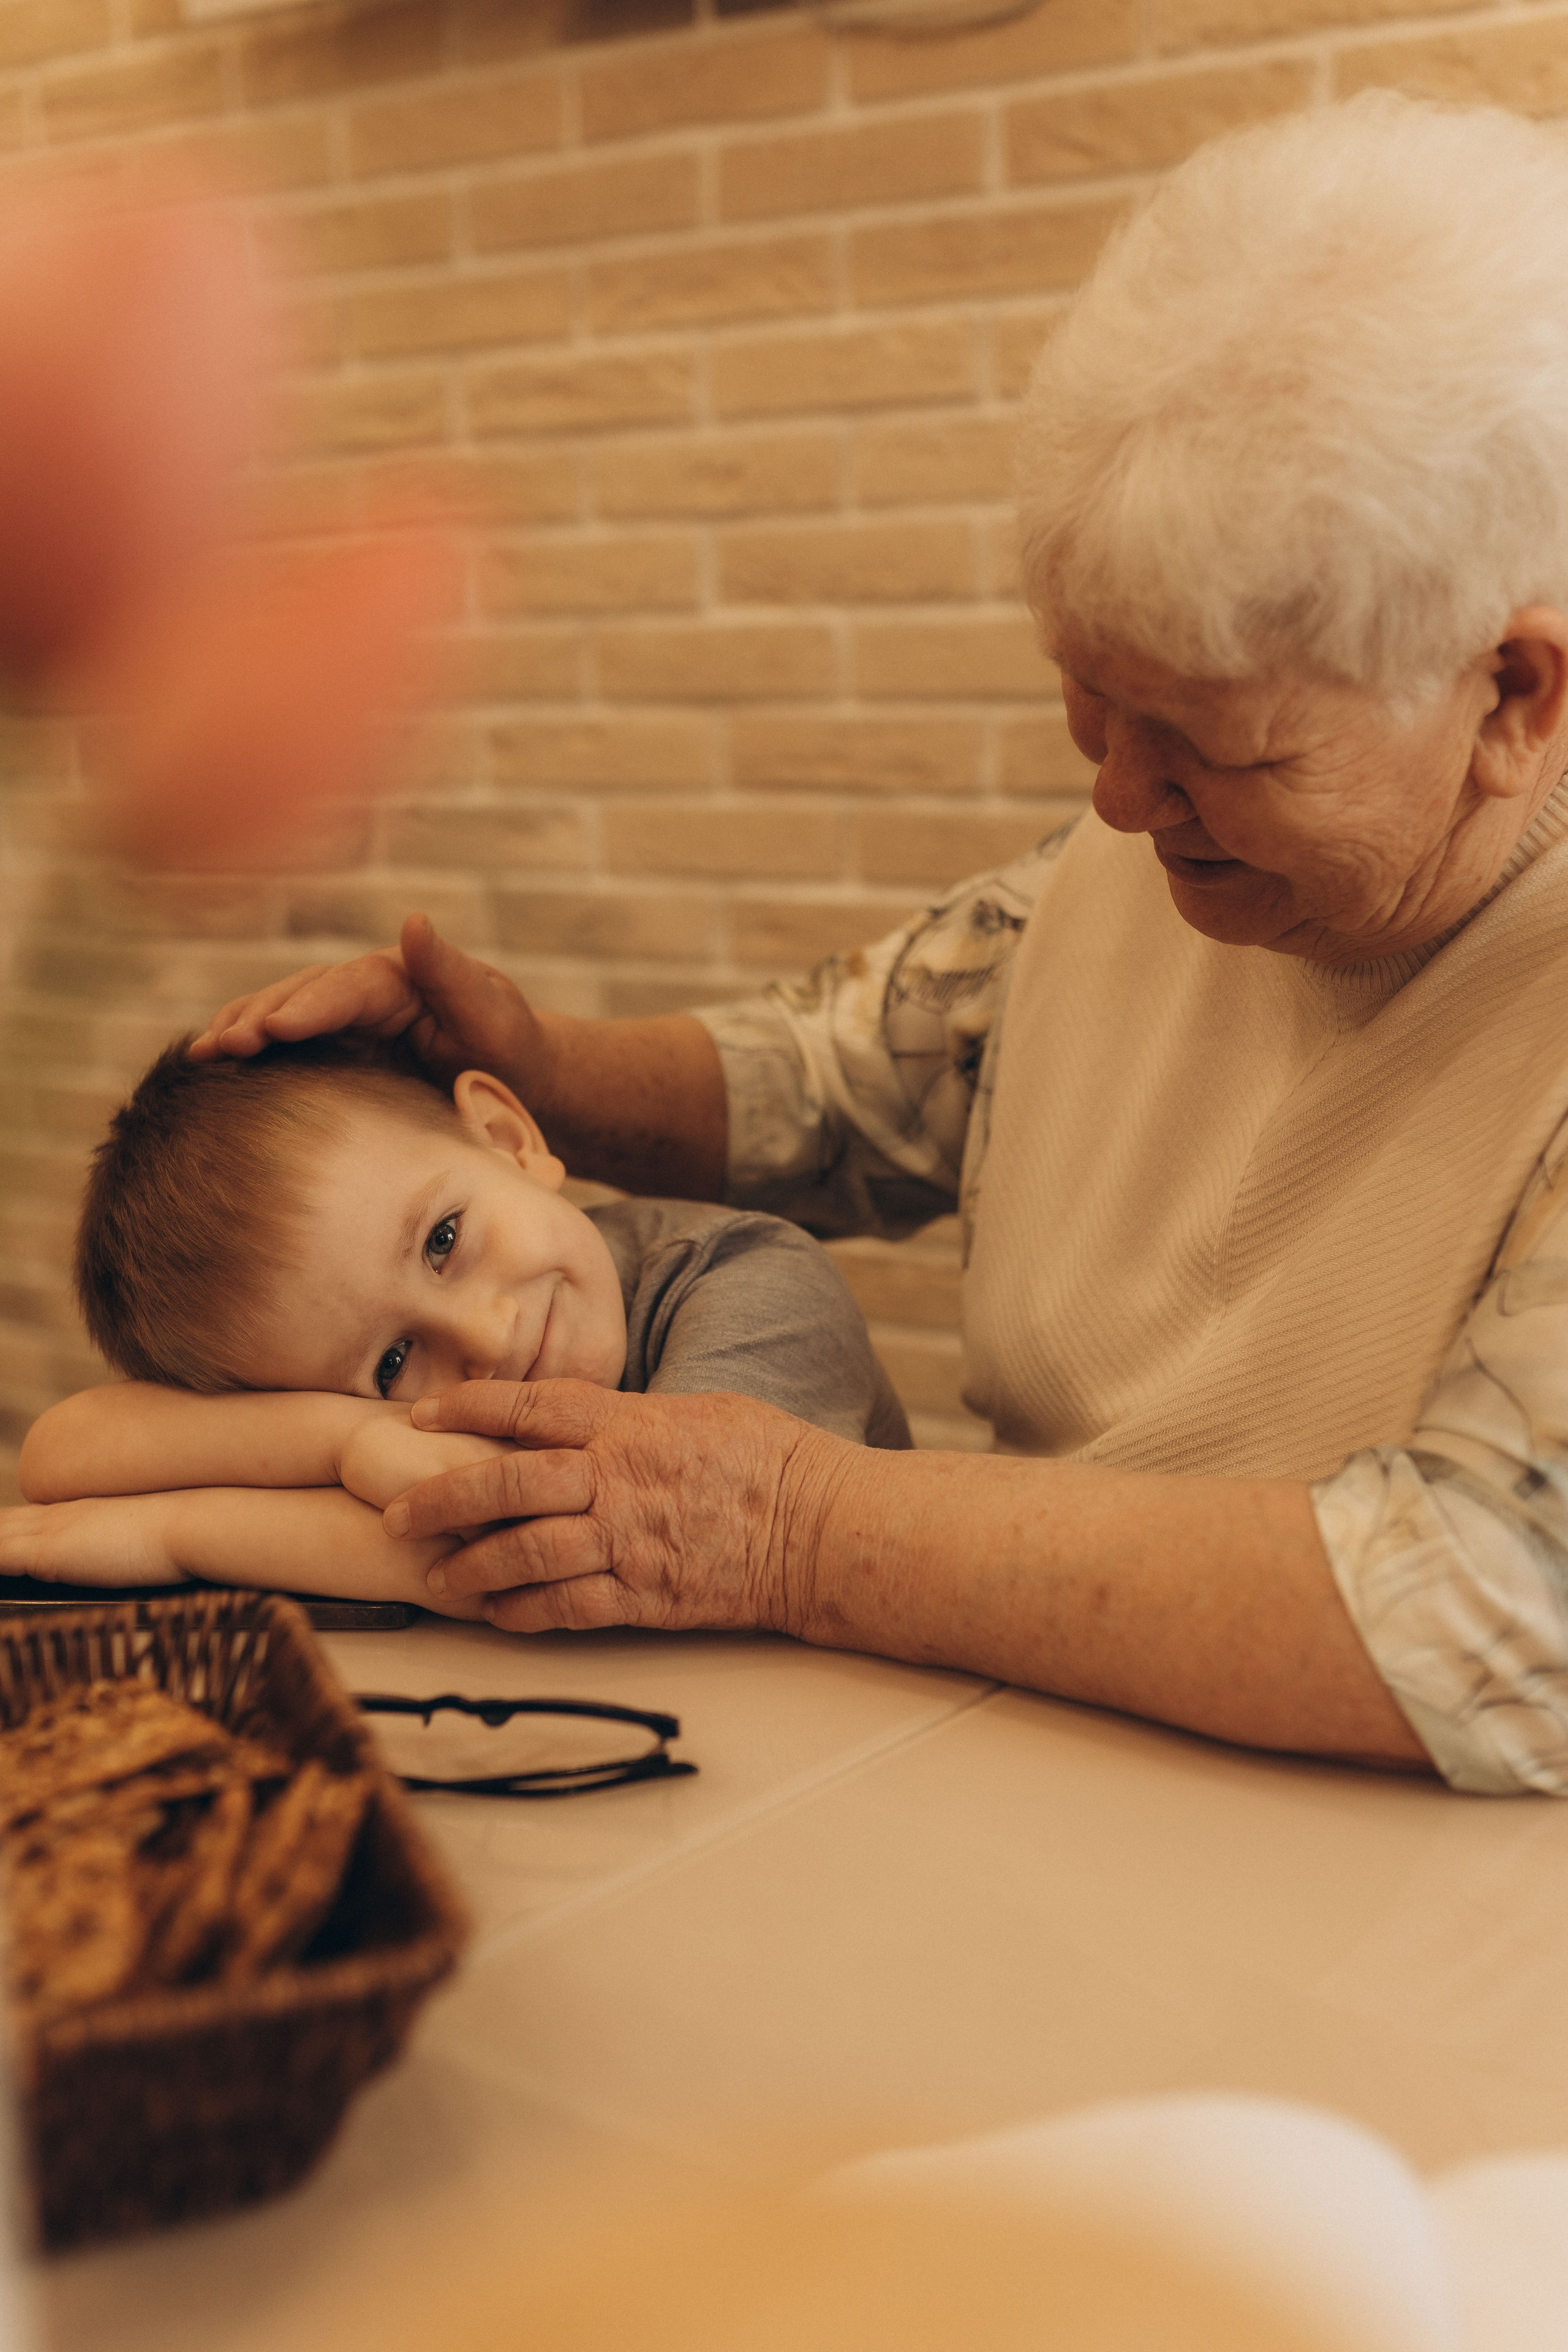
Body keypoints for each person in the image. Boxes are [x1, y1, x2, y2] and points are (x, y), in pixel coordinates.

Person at [34, 90, 1568, 1798]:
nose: (1125, 806)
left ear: (1510, 692)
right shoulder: (1132, 874)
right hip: (1010, 1766)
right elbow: (841, 1080)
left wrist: (790, 1526)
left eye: (1215, 747)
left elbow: (1491, 1619)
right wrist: (514, 1069)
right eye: (1090, 708)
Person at [2, 1036, 907, 1610]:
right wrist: (349, 1434)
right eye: (393, 1359)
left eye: (443, 1239)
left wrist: (177, 1534)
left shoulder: (754, 1278)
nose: (485, 1335)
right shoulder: (410, 1401)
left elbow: (604, 1556)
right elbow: (65, 1450)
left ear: (509, 1140)